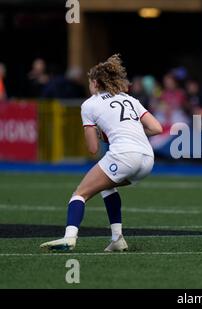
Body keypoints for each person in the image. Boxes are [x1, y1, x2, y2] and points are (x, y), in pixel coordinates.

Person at [40, 54, 162, 252]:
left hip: (124, 156)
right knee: (107, 187)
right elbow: (156, 128)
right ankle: (117, 239)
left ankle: (69, 238)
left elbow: (92, 149)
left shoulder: (90, 104)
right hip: (147, 160)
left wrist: (98, 134)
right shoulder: (128, 98)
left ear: (95, 83)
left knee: (80, 193)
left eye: (90, 82)